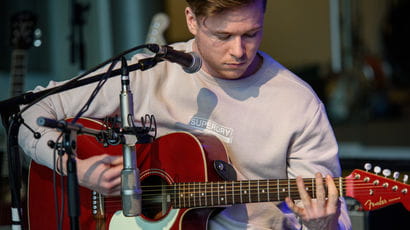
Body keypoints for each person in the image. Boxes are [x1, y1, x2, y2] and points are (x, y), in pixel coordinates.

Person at [18, 0, 352, 229]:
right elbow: (29, 112)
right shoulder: (149, 70)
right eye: (223, 36)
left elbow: (331, 216)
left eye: (251, 34)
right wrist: (76, 168)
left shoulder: (298, 103)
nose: (239, 51)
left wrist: (321, 222)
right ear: (192, 20)